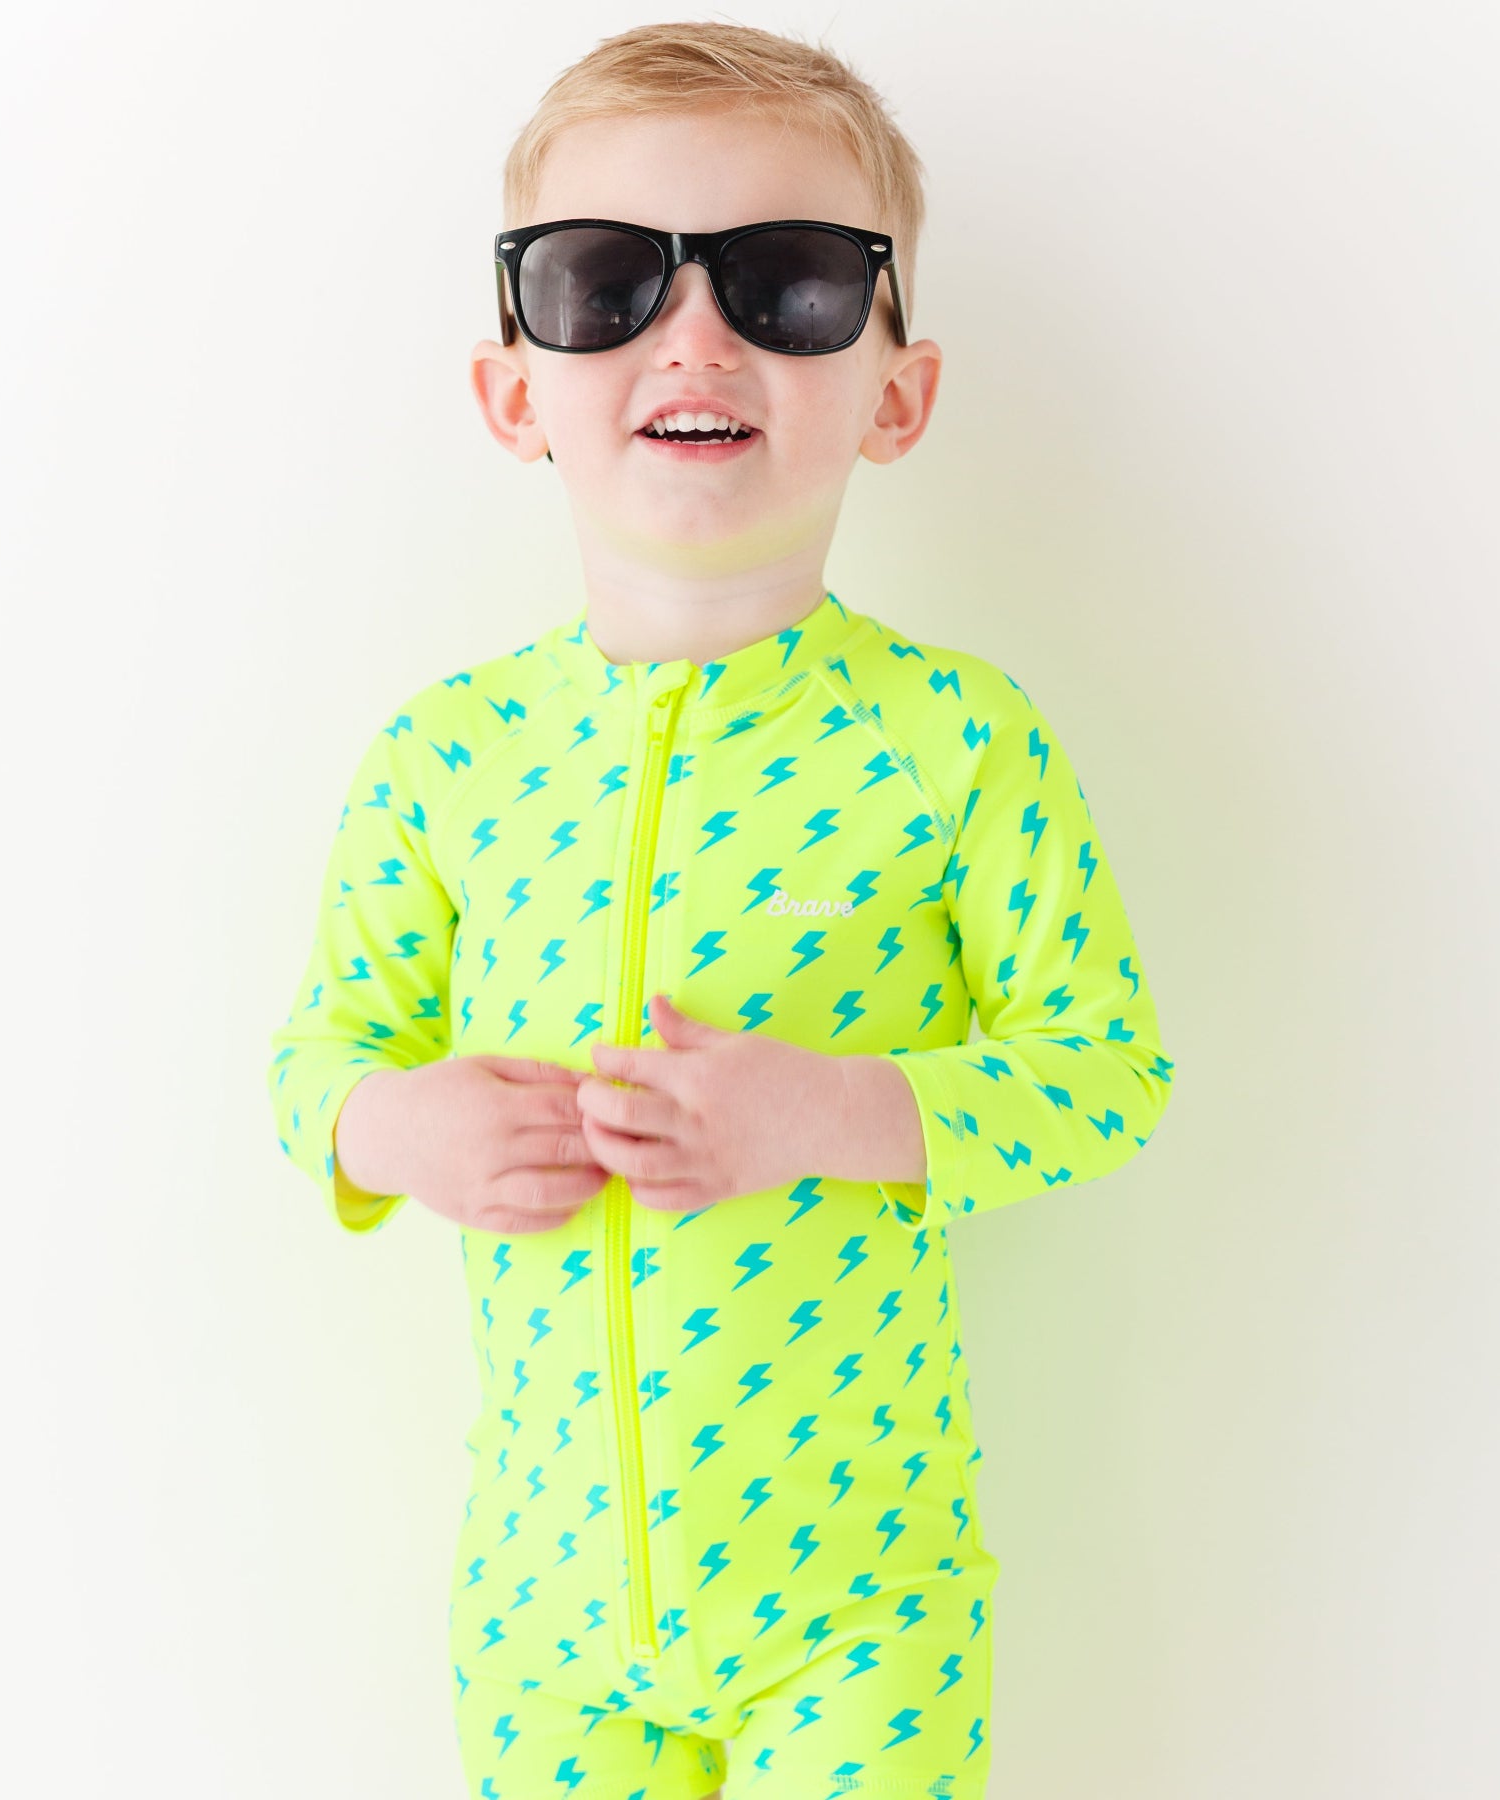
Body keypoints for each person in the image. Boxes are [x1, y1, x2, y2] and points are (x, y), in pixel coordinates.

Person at [267, 21, 1177, 1799]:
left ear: (896, 390)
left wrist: (833, 1107)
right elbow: (320, 1054)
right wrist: (394, 1127)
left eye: (792, 283)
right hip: (543, 1619)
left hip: (858, 1608)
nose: (696, 333)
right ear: (514, 389)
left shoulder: (952, 741)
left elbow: (1106, 1069)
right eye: (604, 280)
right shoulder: (446, 758)